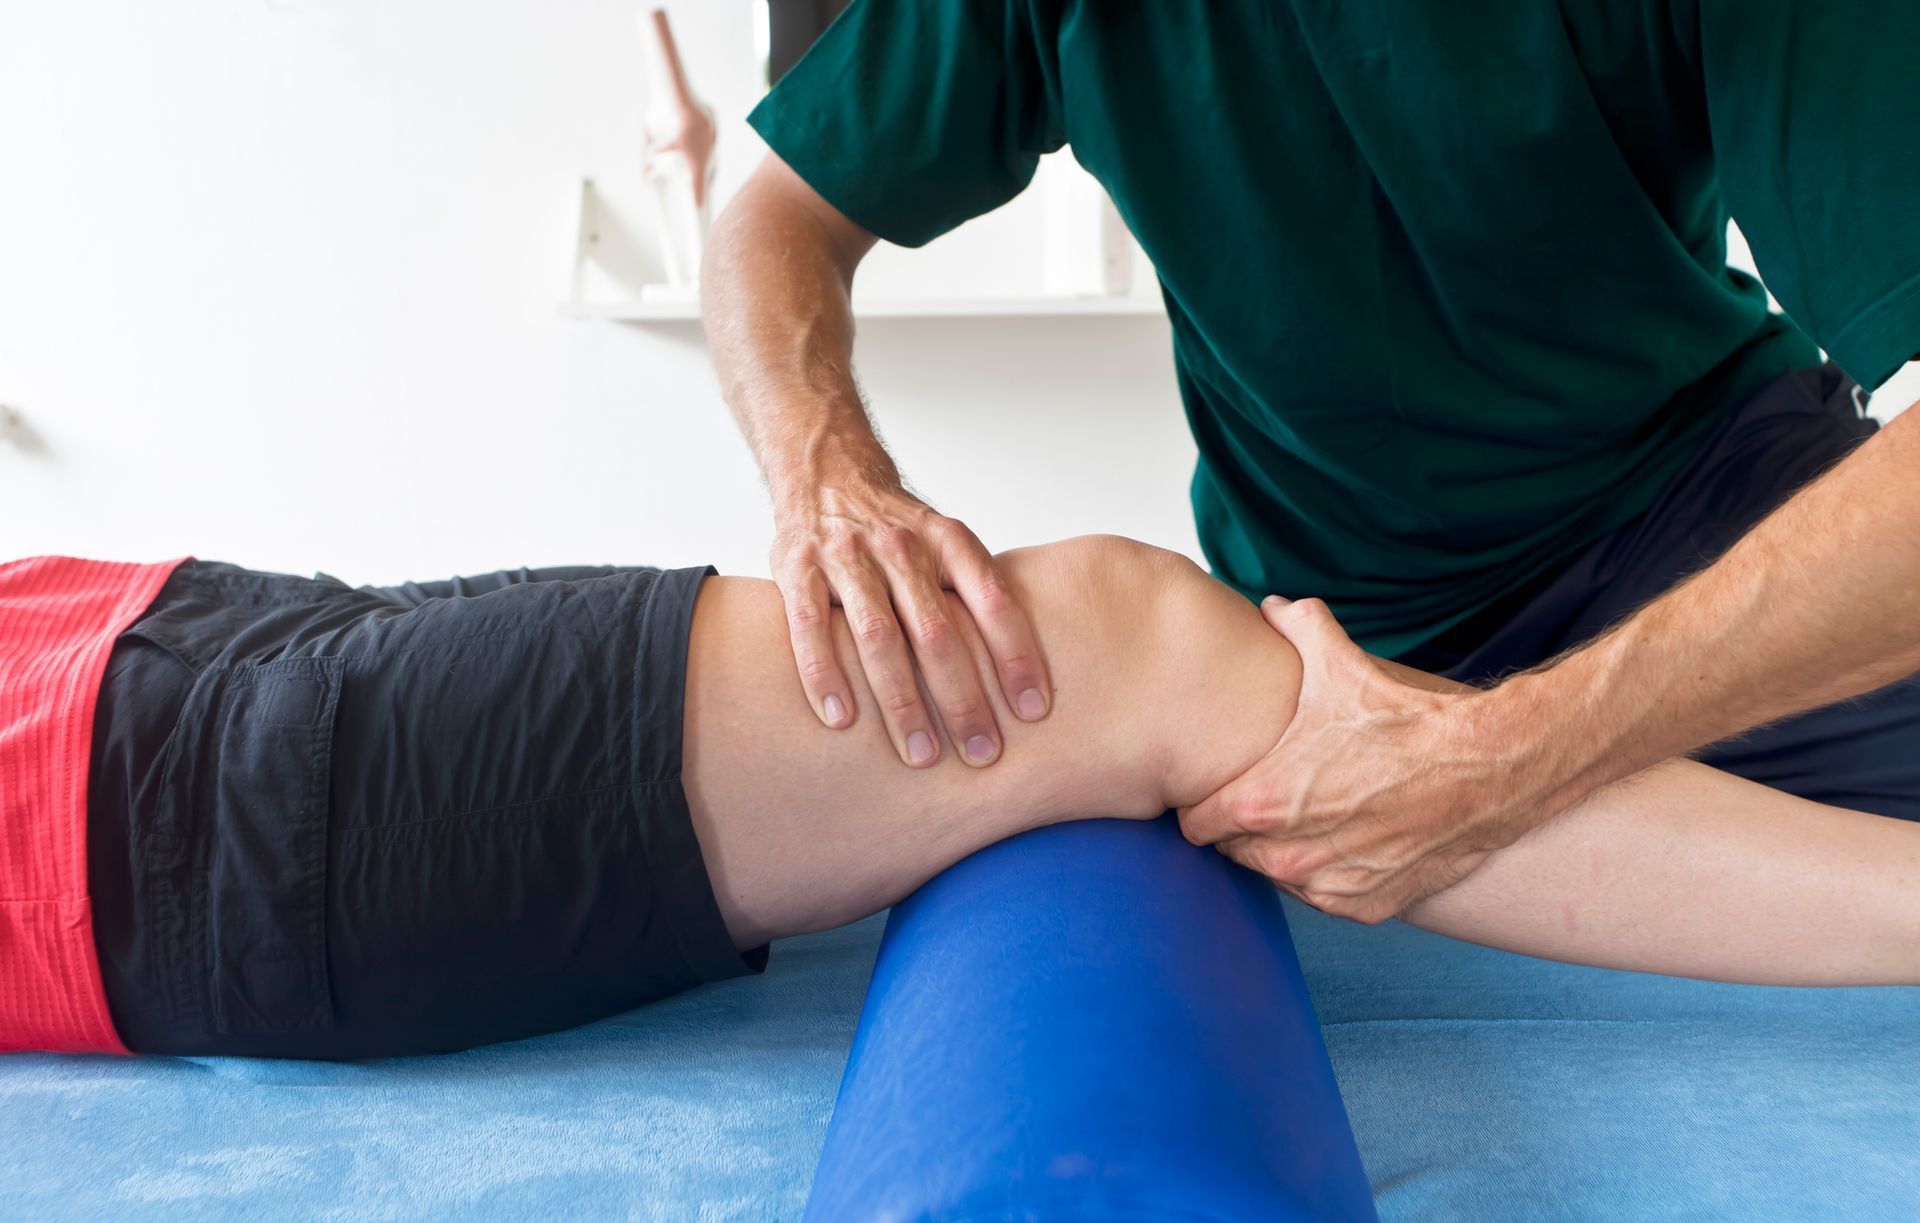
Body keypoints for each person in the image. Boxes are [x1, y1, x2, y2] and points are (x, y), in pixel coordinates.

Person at [702, 0, 1920, 923]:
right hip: (1335, 629)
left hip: (1717, 529)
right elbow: (771, 219)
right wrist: (828, 476)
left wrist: (1509, 757)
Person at [2, 541, 1914, 1061]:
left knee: (1150, 664)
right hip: (136, 824)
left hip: (153, 643)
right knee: (1132, 651)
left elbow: (789, 201)